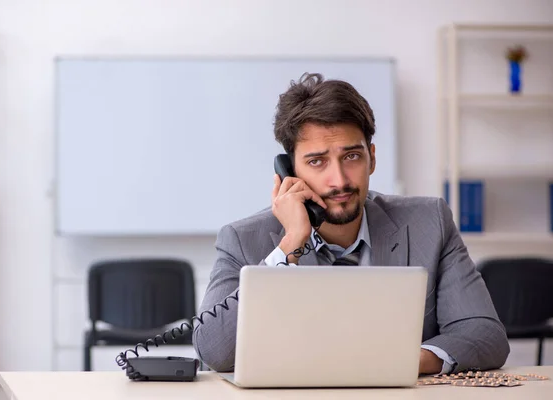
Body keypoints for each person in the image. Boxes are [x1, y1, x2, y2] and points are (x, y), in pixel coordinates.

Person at [192, 72, 509, 374]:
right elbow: (214, 351)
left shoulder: (430, 222)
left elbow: (484, 334)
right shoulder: (243, 239)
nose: (339, 180)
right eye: (317, 161)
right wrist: (290, 245)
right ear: (290, 171)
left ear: (372, 157)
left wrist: (398, 361)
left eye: (351, 157)